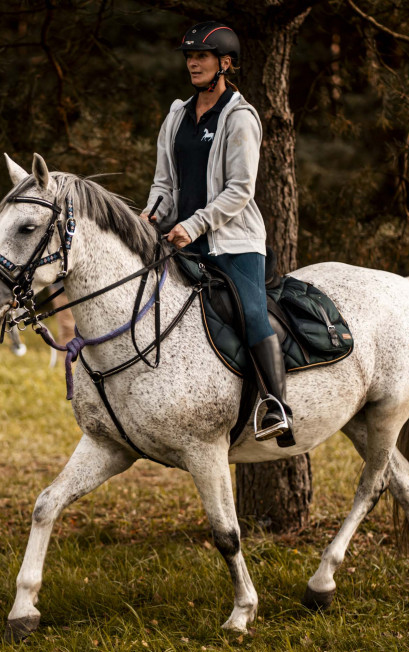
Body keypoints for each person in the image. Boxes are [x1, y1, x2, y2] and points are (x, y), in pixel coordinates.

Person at [142, 21, 294, 446]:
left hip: (233, 242)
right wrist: (151, 216)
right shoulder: (176, 114)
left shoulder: (240, 117)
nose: (193, 62)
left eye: (202, 56)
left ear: (225, 63)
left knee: (249, 313)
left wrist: (194, 224)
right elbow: (164, 185)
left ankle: (277, 406)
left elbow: (240, 190)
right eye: (189, 56)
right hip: (182, 241)